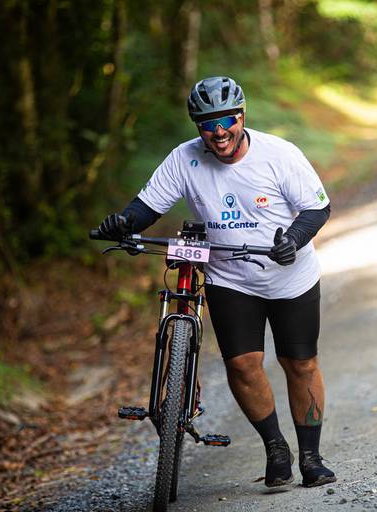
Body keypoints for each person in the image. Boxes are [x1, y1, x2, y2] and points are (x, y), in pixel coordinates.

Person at [98, 76, 336, 488]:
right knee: (242, 365)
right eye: (208, 124)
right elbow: (147, 206)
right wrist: (124, 223)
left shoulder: (280, 154)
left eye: (226, 120)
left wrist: (294, 240)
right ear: (198, 127)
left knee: (300, 363)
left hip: (290, 277)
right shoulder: (185, 158)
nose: (219, 131)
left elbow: (318, 208)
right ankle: (275, 448)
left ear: (242, 116)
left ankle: (311, 458)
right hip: (229, 277)